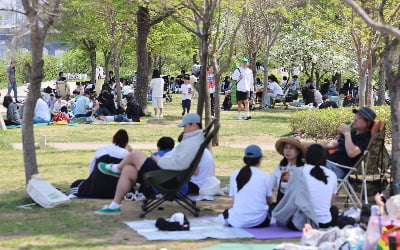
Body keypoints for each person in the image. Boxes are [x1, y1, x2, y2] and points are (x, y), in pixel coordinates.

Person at [95, 113, 205, 215]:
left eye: (185, 127)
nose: (184, 130)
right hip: (170, 174)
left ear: (193, 125)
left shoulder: (192, 143)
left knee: (135, 154)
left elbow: (179, 164)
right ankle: (115, 205)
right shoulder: (195, 141)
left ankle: (117, 168)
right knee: (128, 169)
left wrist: (159, 160)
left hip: (167, 177)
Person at [272, 144, 338, 230]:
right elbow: (331, 203)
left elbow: (290, 198)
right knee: (334, 210)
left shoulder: (299, 171)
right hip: (325, 222)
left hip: (303, 223)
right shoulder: (332, 175)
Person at [302, 107, 375, 179]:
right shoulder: (353, 134)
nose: (355, 119)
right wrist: (305, 144)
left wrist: (347, 133)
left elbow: (352, 153)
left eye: (359, 118)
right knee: (301, 155)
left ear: (368, 123)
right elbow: (332, 144)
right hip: (328, 162)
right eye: (355, 116)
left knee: (303, 172)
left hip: (338, 168)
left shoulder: (365, 138)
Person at [219, 145, 273, 228]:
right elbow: (269, 200)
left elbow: (234, 199)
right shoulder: (265, 176)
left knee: (226, 213)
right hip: (260, 221)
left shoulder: (235, 174)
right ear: (260, 159)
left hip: (237, 221)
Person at [70, 129, 131, 199]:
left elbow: (92, 169)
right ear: (126, 143)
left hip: (96, 189)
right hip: (117, 191)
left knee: (76, 184)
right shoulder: (127, 154)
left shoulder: (102, 150)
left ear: (113, 140)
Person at [270, 138, 305, 203]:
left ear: (298, 151)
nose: (288, 151)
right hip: (282, 204)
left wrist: (293, 179)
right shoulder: (280, 168)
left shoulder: (304, 168)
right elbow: (271, 185)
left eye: (291, 148)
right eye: (286, 148)